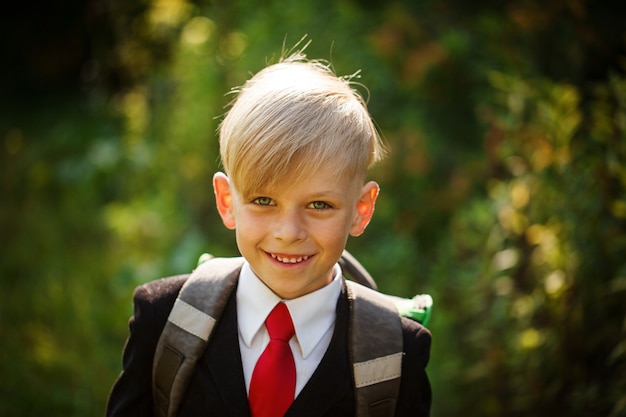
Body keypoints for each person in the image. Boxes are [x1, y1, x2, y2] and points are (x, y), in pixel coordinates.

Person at [106, 47, 432, 417]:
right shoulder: (165, 319)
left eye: (319, 205)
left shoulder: (397, 351)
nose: (288, 232)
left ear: (361, 209)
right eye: (263, 200)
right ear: (227, 200)